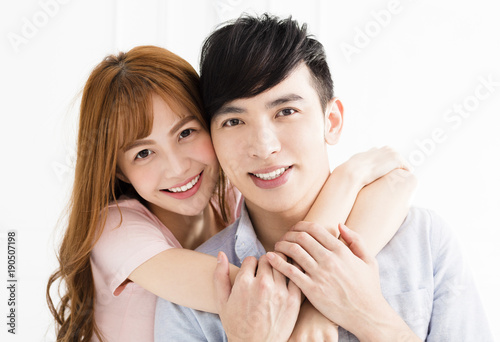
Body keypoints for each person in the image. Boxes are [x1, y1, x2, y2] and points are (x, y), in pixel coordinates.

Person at [154, 14, 493, 341]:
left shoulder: (423, 240)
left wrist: (370, 317)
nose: (263, 146)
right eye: (234, 121)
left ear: (331, 122)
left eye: (286, 112)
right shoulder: (191, 289)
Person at [46, 45, 414, 342]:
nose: (177, 168)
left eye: (186, 133)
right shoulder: (116, 228)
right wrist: (348, 178)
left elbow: (397, 186)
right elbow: (264, 291)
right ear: (117, 169)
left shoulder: (233, 198)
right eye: (143, 153)